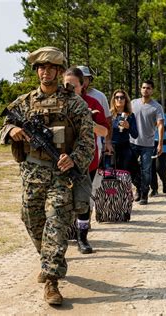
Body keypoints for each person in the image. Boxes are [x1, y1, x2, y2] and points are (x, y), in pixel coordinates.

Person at [0, 47, 94, 305]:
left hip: (61, 175)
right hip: (32, 173)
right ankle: (48, 256)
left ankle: (51, 280)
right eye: (41, 67)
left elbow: (88, 141)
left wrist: (73, 158)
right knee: (31, 217)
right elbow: (3, 125)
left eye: (51, 67)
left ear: (60, 71)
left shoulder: (75, 104)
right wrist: (12, 131)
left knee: (56, 221)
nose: (45, 72)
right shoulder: (25, 102)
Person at [63, 67, 109, 255]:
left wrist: (87, 119)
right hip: (60, 159)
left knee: (82, 200)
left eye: (73, 85)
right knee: (61, 200)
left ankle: (82, 238)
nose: (69, 88)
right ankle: (60, 239)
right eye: (66, 84)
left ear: (83, 85)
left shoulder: (92, 103)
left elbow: (104, 131)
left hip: (86, 160)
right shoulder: (57, 103)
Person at [130, 80, 165, 205]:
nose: (146, 90)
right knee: (131, 169)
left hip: (148, 144)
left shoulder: (156, 107)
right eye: (144, 87)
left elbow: (160, 125)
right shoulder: (133, 103)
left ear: (152, 90)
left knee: (146, 170)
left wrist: (160, 143)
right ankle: (138, 188)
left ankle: (144, 193)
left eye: (148, 88)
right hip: (132, 142)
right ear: (140, 89)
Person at [77, 66, 113, 155]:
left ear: (90, 79)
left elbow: (108, 120)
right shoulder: (67, 96)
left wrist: (107, 141)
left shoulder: (99, 96)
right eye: (80, 78)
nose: (82, 82)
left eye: (85, 79)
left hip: (94, 144)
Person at [109, 89, 138, 171]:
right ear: (113, 100)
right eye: (117, 97)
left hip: (124, 148)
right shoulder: (108, 114)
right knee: (110, 176)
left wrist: (128, 127)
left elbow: (135, 135)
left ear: (126, 100)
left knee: (123, 175)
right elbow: (104, 133)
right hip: (111, 147)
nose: (119, 99)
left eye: (122, 97)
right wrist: (105, 145)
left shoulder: (131, 115)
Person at [150, 113, 166, 196]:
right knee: (150, 168)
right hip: (149, 145)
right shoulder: (148, 116)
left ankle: (165, 181)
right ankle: (154, 189)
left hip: (163, 146)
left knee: (159, 167)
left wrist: (162, 126)